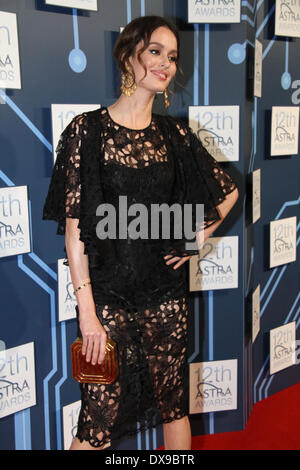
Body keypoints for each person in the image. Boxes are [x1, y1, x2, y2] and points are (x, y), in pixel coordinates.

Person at [43, 15, 239, 451]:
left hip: (166, 300)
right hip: (108, 304)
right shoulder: (87, 132)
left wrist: (195, 238)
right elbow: (76, 234)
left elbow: (226, 194)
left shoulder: (175, 136)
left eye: (172, 56)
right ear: (128, 57)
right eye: (155, 51)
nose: (165, 64)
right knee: (98, 420)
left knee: (173, 406)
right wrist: (87, 313)